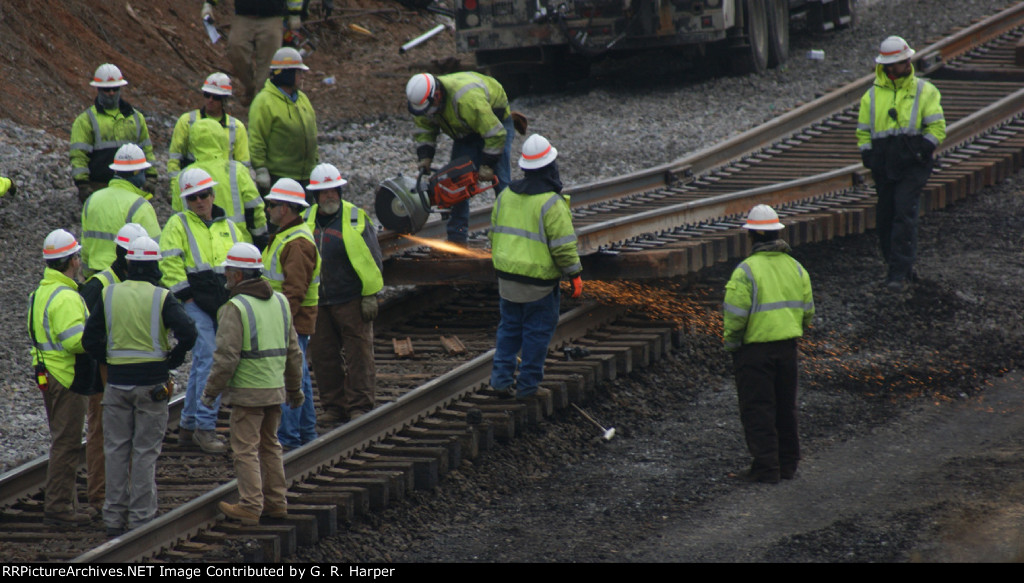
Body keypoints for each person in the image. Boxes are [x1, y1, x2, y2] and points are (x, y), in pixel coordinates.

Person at [81, 237, 196, 537]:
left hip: (117, 384)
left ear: (129, 263)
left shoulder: (109, 294)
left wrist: (109, 359)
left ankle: (113, 518)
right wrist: (174, 357)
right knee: (145, 452)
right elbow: (188, 332)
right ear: (155, 264)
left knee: (116, 450)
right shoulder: (161, 296)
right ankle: (141, 518)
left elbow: (89, 340)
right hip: (152, 385)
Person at [201, 243, 304, 525]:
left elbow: (226, 357)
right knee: (270, 445)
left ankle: (250, 505)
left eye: (228, 271)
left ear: (238, 275)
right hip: (274, 389)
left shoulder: (235, 307)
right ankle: (276, 503)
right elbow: (294, 352)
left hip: (248, 391)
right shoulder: (280, 302)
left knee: (245, 448)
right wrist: (294, 389)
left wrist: (210, 392)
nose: (225, 276)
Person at [160, 167, 251, 454]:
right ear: (186, 201)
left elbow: (242, 262)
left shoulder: (230, 227)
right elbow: (169, 264)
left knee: (206, 361)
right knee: (210, 360)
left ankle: (188, 426)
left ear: (212, 195)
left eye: (203, 195)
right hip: (194, 302)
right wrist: (186, 299)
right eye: (192, 197)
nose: (199, 201)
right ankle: (205, 427)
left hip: (223, 303)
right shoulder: (178, 224)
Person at [722, 204, 814, 484]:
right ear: (777, 233)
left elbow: (736, 315)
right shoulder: (796, 268)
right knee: (786, 406)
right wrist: (792, 330)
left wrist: (732, 344)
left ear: (751, 235)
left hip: (754, 351)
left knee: (758, 408)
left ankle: (766, 468)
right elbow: (807, 311)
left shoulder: (746, 271)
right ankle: (788, 465)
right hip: (787, 347)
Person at [488, 135, 582, 400]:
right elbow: (563, 248)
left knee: (509, 330)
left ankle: (500, 381)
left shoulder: (505, 195)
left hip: (507, 281)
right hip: (538, 286)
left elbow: (493, 236)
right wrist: (575, 274)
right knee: (536, 335)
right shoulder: (552, 203)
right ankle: (528, 387)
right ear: (550, 167)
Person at [857, 36, 945, 292]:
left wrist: (921, 150)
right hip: (885, 166)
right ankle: (898, 268)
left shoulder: (925, 91)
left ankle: (898, 273)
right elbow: (863, 132)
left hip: (913, 166)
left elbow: (937, 128)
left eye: (907, 60)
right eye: (900, 61)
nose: (907, 64)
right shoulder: (871, 97)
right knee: (885, 217)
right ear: (887, 66)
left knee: (904, 214)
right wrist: (868, 157)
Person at [78, 222, 151, 515]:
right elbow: (87, 334)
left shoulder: (139, 282)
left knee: (130, 432)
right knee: (101, 432)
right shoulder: (99, 285)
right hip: (104, 371)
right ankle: (99, 496)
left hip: (131, 370)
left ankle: (124, 493)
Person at [306, 164, 383, 424]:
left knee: (358, 354)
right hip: (318, 301)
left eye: (333, 191)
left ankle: (360, 405)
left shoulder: (356, 217)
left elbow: (374, 258)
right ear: (316, 195)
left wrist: (370, 295)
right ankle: (334, 407)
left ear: (339, 192)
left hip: (351, 298)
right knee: (323, 356)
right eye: (324, 192)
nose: (329, 196)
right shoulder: (305, 220)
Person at [27, 229, 92, 525]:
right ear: (72, 261)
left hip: (46, 372)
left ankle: (68, 503)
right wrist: (98, 336)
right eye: (77, 256)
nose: (79, 261)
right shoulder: (66, 296)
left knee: (61, 439)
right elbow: (74, 341)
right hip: (67, 376)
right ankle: (59, 507)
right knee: (67, 443)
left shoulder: (40, 292)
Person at [405, 71, 516, 244]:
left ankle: (511, 235)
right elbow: (425, 129)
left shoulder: (467, 100)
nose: (427, 113)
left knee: (500, 181)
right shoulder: (423, 105)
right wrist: (425, 156)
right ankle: (456, 239)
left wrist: (487, 165)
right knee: (456, 182)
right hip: (465, 131)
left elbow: (496, 135)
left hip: (495, 123)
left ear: (437, 95)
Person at [262, 178, 321, 449]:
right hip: (291, 318)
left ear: (284, 208)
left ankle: (289, 438)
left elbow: (294, 291)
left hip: (291, 320)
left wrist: (280, 322)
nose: (268, 209)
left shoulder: (296, 243)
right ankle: (305, 435)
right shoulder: (288, 236)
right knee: (300, 377)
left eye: (272, 205)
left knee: (290, 377)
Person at [170, 118, 268, 248]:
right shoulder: (236, 171)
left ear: (193, 142)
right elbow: (255, 209)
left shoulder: (183, 176)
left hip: (198, 248)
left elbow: (176, 217)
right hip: (237, 245)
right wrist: (260, 238)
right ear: (222, 139)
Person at [70, 63, 158, 203]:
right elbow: (78, 155)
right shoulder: (86, 120)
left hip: (132, 186)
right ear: (98, 89)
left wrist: (151, 177)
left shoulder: (136, 117)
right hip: (100, 186)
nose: (111, 93)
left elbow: (146, 149)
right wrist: (82, 184)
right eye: (107, 89)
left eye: (115, 88)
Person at [80, 144, 162, 277]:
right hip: (125, 277)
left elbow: (85, 245)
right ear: (137, 172)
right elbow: (156, 249)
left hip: (97, 276)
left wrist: (88, 278)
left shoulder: (92, 200)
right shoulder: (139, 205)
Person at [201, 1, 304, 107]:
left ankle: (260, 99)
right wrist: (209, 3)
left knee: (269, 62)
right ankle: (250, 87)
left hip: (272, 16)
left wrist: (295, 14)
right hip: (244, 15)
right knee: (235, 49)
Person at [248, 47, 318, 194]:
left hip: (306, 177)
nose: (302, 77)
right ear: (287, 74)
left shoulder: (302, 99)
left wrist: (315, 163)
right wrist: (260, 169)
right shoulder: (263, 102)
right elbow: (257, 139)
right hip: (279, 178)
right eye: (298, 72)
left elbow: (312, 133)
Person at [167, 73, 251, 183]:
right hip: (194, 183)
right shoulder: (187, 121)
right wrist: (175, 185)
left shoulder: (236, 127)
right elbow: (175, 158)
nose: (210, 100)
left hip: (223, 184)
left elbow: (243, 165)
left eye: (216, 97)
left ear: (224, 99)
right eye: (207, 95)